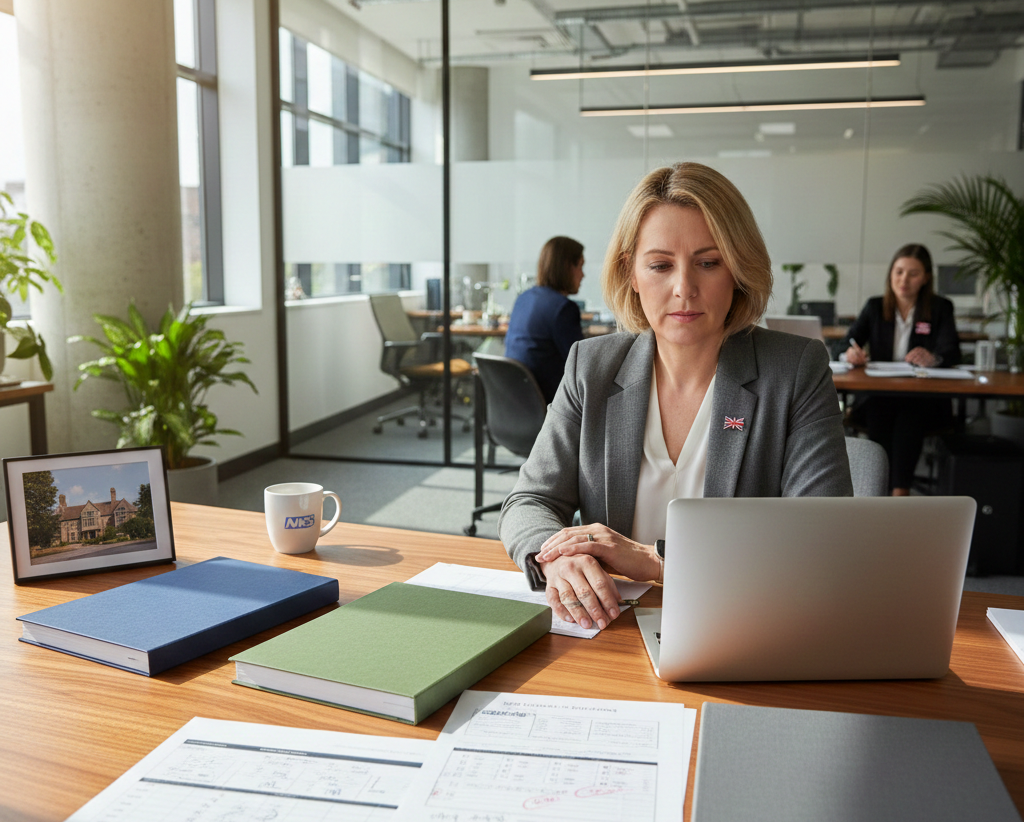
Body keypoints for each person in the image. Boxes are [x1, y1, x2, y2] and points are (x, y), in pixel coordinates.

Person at [497, 162, 853, 632]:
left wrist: (655, 561)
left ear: (739, 269)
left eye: (709, 262)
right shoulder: (592, 366)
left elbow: (820, 540)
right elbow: (529, 500)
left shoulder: (794, 370)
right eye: (661, 265)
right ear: (632, 274)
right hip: (613, 631)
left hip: (743, 626)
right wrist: (557, 561)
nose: (684, 288)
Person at [844, 244, 961, 496]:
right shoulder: (875, 306)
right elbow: (848, 341)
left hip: (922, 399)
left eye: (913, 273)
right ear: (890, 274)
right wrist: (851, 352)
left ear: (926, 277)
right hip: (878, 397)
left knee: (910, 414)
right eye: (898, 272)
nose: (903, 280)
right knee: (881, 410)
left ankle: (899, 492)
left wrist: (933, 357)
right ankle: (879, 490)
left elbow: (952, 350)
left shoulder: (940, 308)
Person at [504, 236, 586, 404]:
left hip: (513, 404)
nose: (583, 275)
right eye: (580, 266)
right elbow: (582, 367)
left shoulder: (523, 299)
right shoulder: (563, 308)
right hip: (549, 405)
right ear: (567, 267)